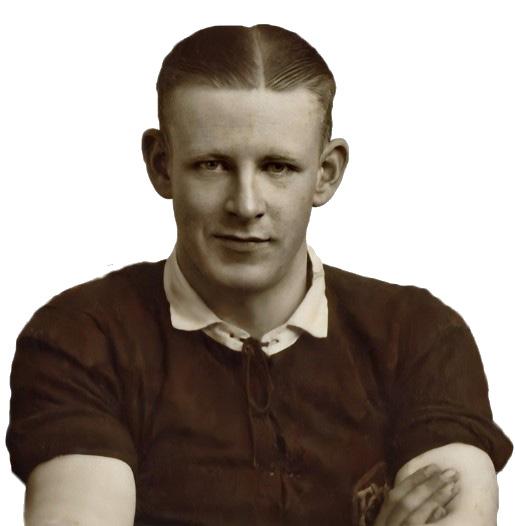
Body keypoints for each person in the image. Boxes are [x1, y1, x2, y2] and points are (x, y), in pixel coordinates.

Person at [6, 24, 512, 526]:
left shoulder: (418, 335)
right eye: (212, 165)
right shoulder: (82, 338)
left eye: (278, 167)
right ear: (161, 165)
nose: (246, 205)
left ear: (327, 173)